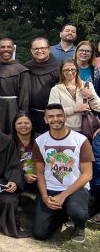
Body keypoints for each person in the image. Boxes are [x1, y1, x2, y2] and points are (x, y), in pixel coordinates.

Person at [32, 104, 93, 242]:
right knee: (39, 234)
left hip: (75, 189)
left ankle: (79, 225)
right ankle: (61, 216)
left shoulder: (81, 140)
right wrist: (45, 197)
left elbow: (87, 174)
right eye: (51, 116)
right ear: (46, 119)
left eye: (59, 115)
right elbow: (40, 173)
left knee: (78, 213)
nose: (55, 119)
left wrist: (63, 196)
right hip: (50, 189)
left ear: (65, 117)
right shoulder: (40, 141)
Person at [48, 59, 100, 134]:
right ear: (61, 72)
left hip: (86, 130)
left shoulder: (87, 85)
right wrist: (74, 109)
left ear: (77, 71)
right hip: (65, 131)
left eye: (73, 69)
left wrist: (91, 96)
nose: (70, 72)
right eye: (66, 70)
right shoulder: (56, 89)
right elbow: (53, 112)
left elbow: (98, 107)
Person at [0, 38, 31, 135]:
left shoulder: (22, 70)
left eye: (8, 47)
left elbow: (24, 96)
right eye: (2, 47)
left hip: (13, 109)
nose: (6, 49)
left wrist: (22, 115)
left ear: (13, 49)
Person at [24, 37, 60, 134]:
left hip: (54, 115)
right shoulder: (26, 68)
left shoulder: (58, 68)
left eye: (43, 48)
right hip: (32, 114)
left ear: (49, 49)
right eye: (36, 48)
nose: (40, 51)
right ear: (31, 50)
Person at [12, 113, 38, 189]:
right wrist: (23, 175)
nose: (23, 125)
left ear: (32, 125)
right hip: (16, 179)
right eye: (19, 123)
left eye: (26, 123)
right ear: (14, 125)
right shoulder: (8, 141)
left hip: (38, 178)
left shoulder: (40, 139)